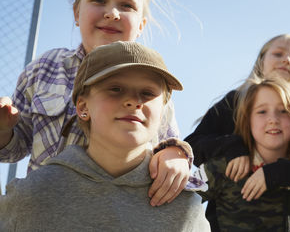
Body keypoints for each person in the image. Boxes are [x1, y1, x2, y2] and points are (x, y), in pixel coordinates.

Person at [0, 0, 190, 206]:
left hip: (120, 214)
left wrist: (176, 154)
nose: (112, 12)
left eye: (126, 5)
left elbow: (169, 142)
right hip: (47, 208)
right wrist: (3, 131)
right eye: (99, 0)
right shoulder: (44, 68)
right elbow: (15, 149)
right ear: (77, 12)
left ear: (141, 25)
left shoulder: (152, 85)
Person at [0, 41, 211, 232]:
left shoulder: (185, 207)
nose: (134, 101)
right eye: (115, 89)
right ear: (82, 106)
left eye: (148, 93)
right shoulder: (33, 194)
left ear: (163, 112)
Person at [185, 34, 290, 231]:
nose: (287, 60)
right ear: (261, 60)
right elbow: (194, 145)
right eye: (278, 53)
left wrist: (275, 173)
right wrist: (235, 147)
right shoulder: (235, 101)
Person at [198, 77, 290, 231]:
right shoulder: (222, 167)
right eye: (262, 111)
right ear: (248, 120)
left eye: (284, 111)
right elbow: (180, 199)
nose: (273, 120)